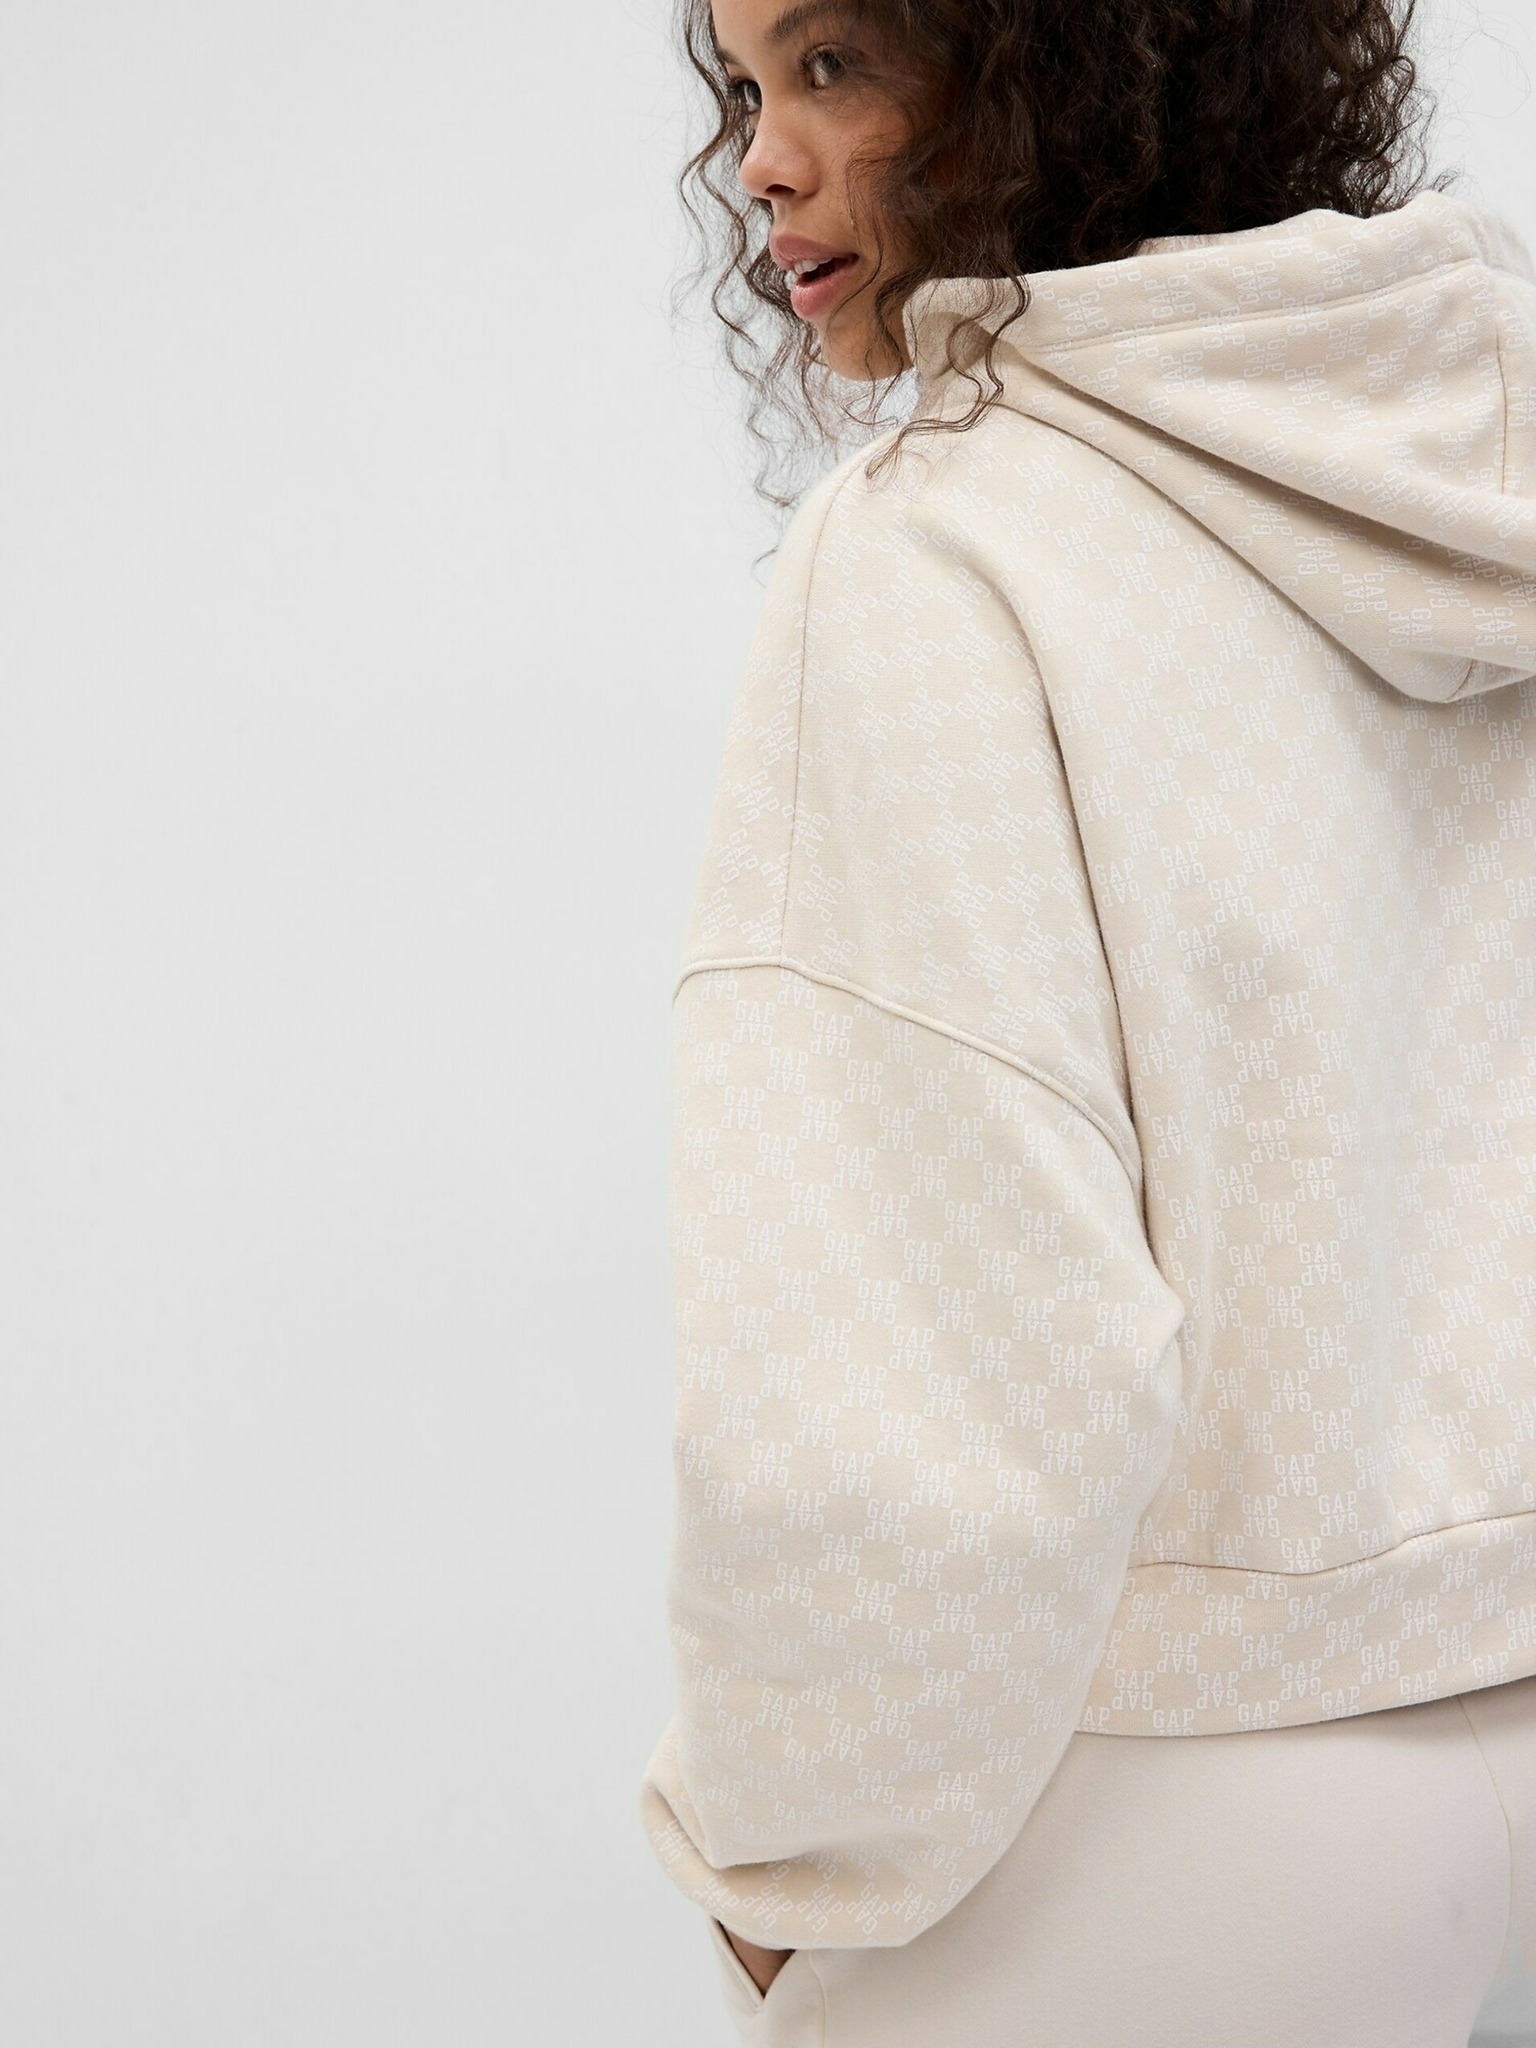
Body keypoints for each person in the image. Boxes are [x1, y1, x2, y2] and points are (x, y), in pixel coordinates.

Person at [637, 2, 1536, 2042]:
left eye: (834, 64)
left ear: (1042, 65)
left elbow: (934, 1337)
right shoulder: (1474, 463)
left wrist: (788, 1850)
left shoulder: (942, 546)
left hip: (1192, 1815)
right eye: (746, 86)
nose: (761, 155)